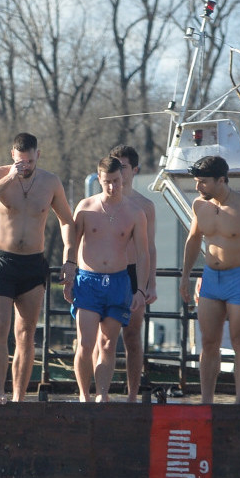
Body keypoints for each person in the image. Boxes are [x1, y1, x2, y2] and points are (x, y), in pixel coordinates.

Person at [0, 133, 72, 403]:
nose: (25, 166)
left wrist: (69, 259)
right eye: (20, 161)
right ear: (12, 157)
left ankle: (18, 396)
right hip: (1, 262)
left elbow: (67, 221)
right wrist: (9, 178)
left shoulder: (50, 182)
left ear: (38, 155)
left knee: (26, 332)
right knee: (0, 326)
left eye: (29, 161)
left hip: (32, 262)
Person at [63, 156, 149, 402]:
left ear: (123, 178)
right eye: (107, 182)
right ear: (99, 180)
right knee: (86, 342)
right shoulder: (86, 206)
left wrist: (140, 289)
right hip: (88, 281)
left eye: (116, 181)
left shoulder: (135, 212)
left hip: (118, 282)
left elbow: (143, 255)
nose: (112, 187)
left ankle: (102, 395)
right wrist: (69, 277)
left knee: (109, 344)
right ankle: (84, 395)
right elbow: (71, 244)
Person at [179, 156, 240, 404]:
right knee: (209, 340)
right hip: (211, 278)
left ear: (221, 180)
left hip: (239, 277)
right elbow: (194, 240)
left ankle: (239, 402)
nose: (198, 187)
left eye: (203, 182)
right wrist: (185, 276)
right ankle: (206, 401)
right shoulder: (200, 206)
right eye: (196, 181)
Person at [108, 145, 158, 402]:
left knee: (132, 334)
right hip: (105, 271)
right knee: (104, 336)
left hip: (133, 273)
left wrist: (151, 284)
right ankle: (99, 393)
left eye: (123, 166)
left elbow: (149, 248)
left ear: (134, 170)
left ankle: (132, 394)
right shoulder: (99, 202)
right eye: (114, 165)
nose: (119, 171)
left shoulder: (145, 205)